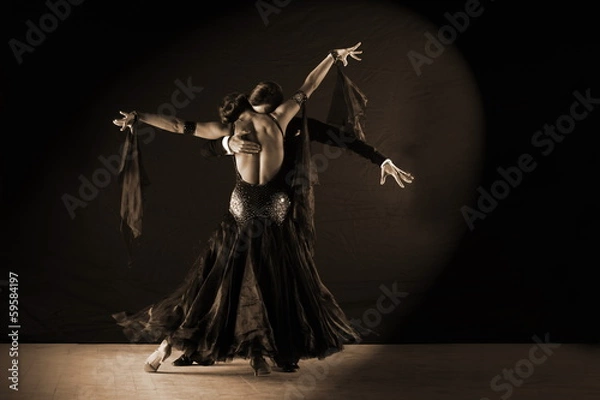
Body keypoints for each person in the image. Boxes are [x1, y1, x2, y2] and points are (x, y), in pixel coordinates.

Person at [111, 43, 366, 376]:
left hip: (240, 217)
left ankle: (168, 347)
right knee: (270, 289)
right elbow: (308, 86)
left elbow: (178, 125)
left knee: (209, 287)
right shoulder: (280, 118)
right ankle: (262, 353)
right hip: (272, 218)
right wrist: (333, 57)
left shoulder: (229, 130)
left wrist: (138, 117)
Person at [197, 80, 414, 188]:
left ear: (279, 110)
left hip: (284, 207)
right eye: (253, 113)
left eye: (264, 115)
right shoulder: (241, 125)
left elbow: (347, 140)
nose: (257, 121)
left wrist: (381, 160)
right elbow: (206, 150)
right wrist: (227, 144)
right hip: (244, 209)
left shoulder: (299, 126)